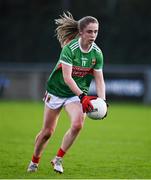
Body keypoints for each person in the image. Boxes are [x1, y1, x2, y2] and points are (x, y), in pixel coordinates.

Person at [27, 12, 107, 174]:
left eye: (96, 31)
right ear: (81, 32)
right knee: (47, 133)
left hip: (75, 95)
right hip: (57, 90)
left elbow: (99, 79)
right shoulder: (70, 49)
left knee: (77, 125)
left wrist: (103, 101)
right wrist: (83, 97)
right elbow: (67, 78)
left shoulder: (97, 53)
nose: (93, 35)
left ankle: (58, 159)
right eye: (90, 31)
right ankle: (34, 161)